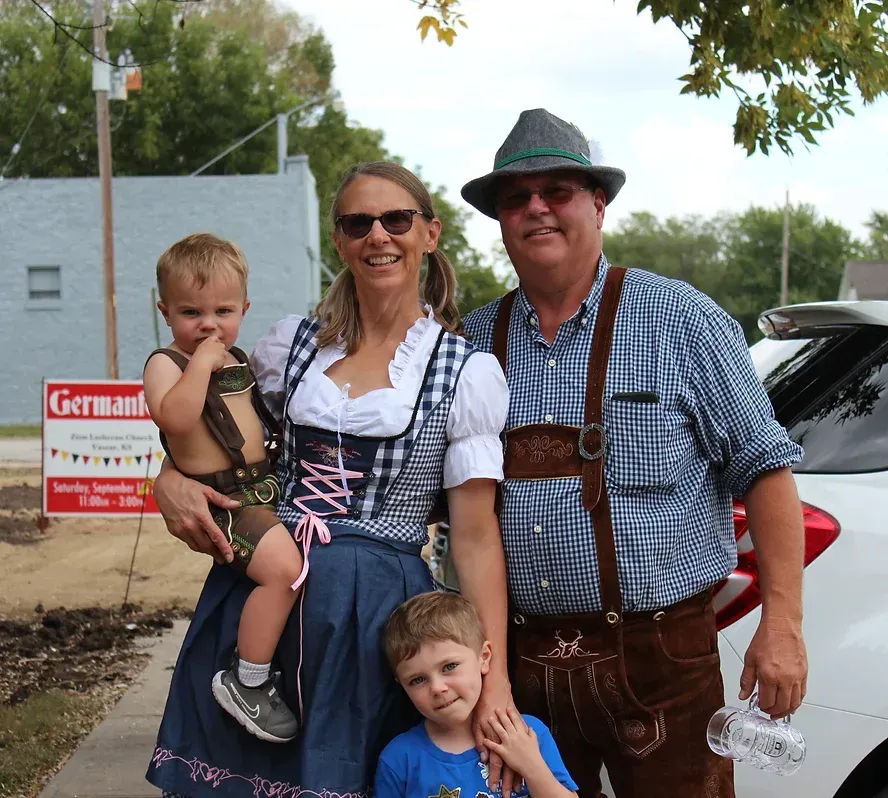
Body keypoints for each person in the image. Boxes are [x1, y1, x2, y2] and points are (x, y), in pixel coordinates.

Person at [458, 108, 808, 797]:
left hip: (664, 660)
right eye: (515, 198)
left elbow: (766, 470)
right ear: (500, 219)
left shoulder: (681, 319)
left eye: (557, 191)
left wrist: (784, 623)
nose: (536, 208)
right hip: (518, 664)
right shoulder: (470, 343)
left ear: (598, 203)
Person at [146, 162, 515, 798]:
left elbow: (476, 540)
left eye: (395, 219)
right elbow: (211, 436)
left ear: (429, 233)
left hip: (373, 620)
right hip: (262, 595)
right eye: (357, 222)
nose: (378, 235)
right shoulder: (288, 347)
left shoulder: (464, 371)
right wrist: (165, 478)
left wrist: (494, 680)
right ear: (339, 241)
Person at [143, 233, 302, 743]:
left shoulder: (240, 358)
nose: (208, 325)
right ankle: (247, 679)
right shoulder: (166, 364)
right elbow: (177, 418)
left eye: (223, 311)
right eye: (192, 312)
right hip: (224, 502)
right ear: (166, 312)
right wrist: (202, 365)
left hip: (264, 489)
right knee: (285, 572)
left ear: (244, 309)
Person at [376, 591, 578, 798]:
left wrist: (531, 765)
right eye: (417, 680)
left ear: (484, 657)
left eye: (449, 666)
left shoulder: (527, 734)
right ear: (401, 683)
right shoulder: (399, 759)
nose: (437, 688)